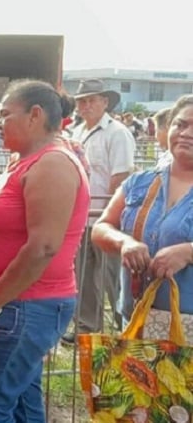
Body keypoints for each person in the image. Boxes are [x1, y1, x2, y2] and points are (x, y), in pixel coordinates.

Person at [0, 80, 90, 423]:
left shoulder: (52, 164)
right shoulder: (25, 160)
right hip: (23, 303)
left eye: (5, 114)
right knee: (21, 399)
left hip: (28, 304)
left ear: (35, 115)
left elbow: (43, 247)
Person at [91, 94, 193, 423]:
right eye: (182, 124)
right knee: (147, 415)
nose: (186, 133)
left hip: (189, 317)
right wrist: (125, 242)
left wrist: (188, 251)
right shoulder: (141, 182)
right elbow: (101, 226)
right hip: (141, 314)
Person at [65, 79, 135, 342]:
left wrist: (110, 216)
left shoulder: (117, 132)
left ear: (105, 102)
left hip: (105, 217)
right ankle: (86, 328)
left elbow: (121, 176)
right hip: (82, 216)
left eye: (92, 99)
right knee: (83, 274)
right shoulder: (77, 132)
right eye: (82, 100)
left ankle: (125, 328)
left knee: (112, 276)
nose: (85, 105)